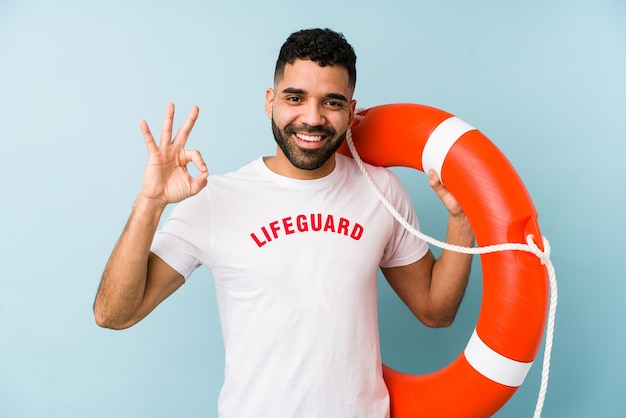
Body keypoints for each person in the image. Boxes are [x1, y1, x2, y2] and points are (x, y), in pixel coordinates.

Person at [94, 28, 474, 418]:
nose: (312, 118)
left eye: (331, 102)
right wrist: (150, 204)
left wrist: (461, 219)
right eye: (295, 98)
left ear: (351, 110)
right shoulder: (213, 198)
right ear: (270, 102)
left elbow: (435, 311)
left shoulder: (381, 190)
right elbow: (114, 315)